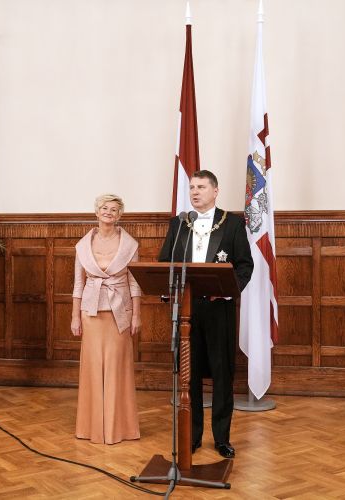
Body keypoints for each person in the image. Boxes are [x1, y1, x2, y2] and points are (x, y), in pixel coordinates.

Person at [158, 170, 253, 459]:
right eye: (191, 187)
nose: (195, 192)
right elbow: (165, 262)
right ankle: (193, 436)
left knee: (222, 374)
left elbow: (244, 265)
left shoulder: (232, 223)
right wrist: (169, 290)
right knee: (190, 374)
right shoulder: (179, 223)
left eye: (200, 187)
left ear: (215, 191)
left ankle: (222, 438)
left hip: (219, 309)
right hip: (187, 311)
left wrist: (227, 291)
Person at [72, 194, 142, 444]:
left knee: (116, 369)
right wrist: (75, 316)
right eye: (104, 208)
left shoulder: (130, 245)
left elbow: (135, 283)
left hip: (119, 313)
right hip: (90, 313)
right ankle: (90, 428)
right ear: (97, 212)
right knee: (92, 369)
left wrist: (136, 314)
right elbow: (78, 284)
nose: (108, 212)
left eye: (114, 209)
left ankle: (119, 429)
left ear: (120, 215)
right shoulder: (82, 245)